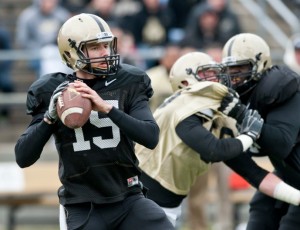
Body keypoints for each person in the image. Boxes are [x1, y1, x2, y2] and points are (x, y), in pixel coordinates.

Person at [14, 13, 174, 230]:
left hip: (129, 199)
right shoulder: (52, 90)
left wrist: (107, 108)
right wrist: (49, 119)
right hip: (83, 206)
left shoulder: (128, 82)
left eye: (107, 45)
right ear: (72, 52)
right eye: (96, 47)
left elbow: (151, 137)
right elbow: (23, 157)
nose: (105, 52)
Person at [135, 51, 300, 229]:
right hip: (141, 199)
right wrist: (249, 135)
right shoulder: (181, 108)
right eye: (207, 73)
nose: (217, 78)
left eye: (216, 72)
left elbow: (253, 173)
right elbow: (214, 150)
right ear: (185, 82)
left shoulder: (215, 118)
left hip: (166, 204)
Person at [219, 33, 300, 229]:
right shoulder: (248, 95)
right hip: (288, 171)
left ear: (259, 64)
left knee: (291, 224)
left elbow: (280, 144)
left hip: (293, 169)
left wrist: (241, 115)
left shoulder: (283, 88)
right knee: (260, 212)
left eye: (240, 67)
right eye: (229, 69)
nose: (233, 75)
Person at [15, 0, 71, 78]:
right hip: (36, 52)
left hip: (58, 51)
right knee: (48, 53)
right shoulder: (27, 16)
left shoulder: (62, 15)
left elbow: (69, 36)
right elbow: (22, 39)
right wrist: (41, 49)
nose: (49, 3)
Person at [0, 26, 14, 119]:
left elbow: (8, 52)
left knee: (7, 84)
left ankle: (5, 114)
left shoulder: (2, 33)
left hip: (1, 67)